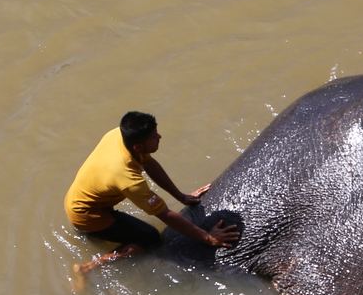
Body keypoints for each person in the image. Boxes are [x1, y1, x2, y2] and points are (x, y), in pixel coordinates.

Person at [65, 111, 238, 284]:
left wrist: (182, 197)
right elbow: (164, 214)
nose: (160, 137)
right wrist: (208, 238)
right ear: (138, 147)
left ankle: (93, 245)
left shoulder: (119, 135)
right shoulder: (128, 179)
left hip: (78, 197)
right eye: (154, 136)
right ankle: (87, 267)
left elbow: (148, 164)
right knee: (150, 238)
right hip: (86, 215)